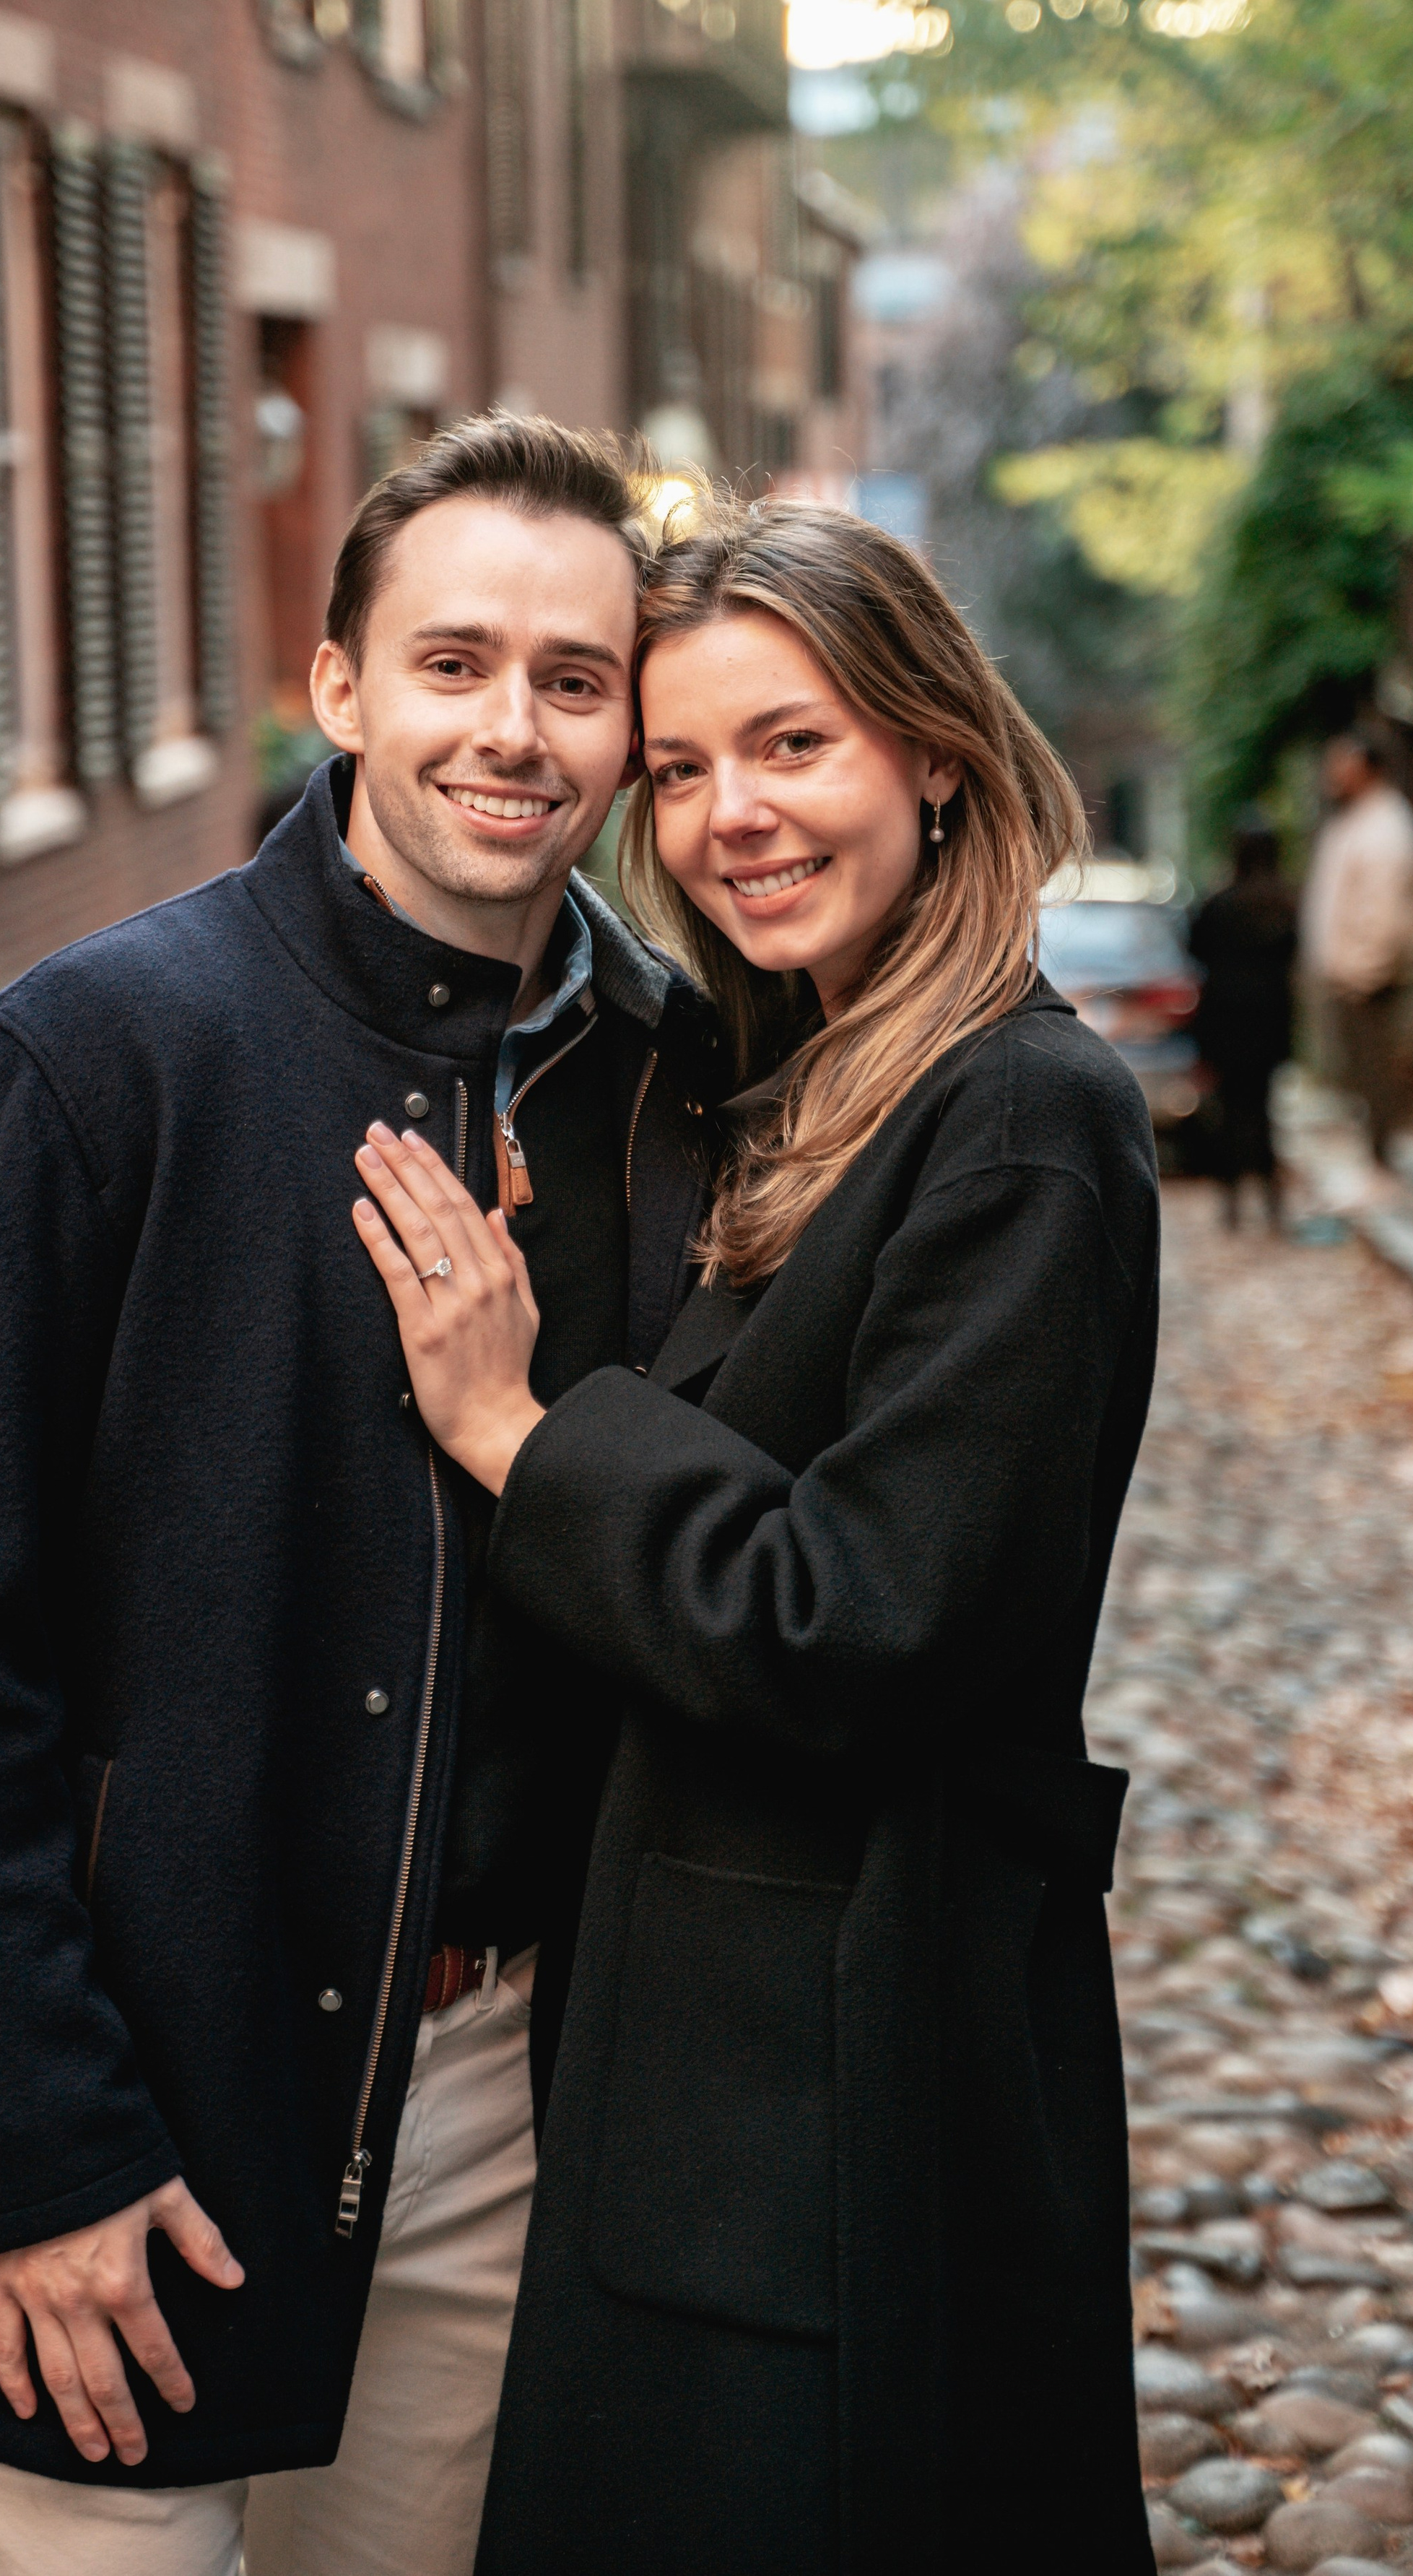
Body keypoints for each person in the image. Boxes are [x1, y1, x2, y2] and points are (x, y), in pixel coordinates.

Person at [0, 414, 723, 2576]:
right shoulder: (80, 1062)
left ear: (620, 730)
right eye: (451, 662)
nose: (510, 729)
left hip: (496, 2092)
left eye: (573, 679)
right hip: (143, 2085)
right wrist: (33, 2140)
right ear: (335, 686)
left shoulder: (674, 1087)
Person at [351, 495, 1162, 2571]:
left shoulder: (1018, 1114)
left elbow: (854, 1612)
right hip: (712, 2058)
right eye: (689, 765)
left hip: (864, 2070)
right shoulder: (789, 1075)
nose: (734, 814)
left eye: (793, 743)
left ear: (936, 749)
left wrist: (519, 1429)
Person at [1301, 727, 1413, 1166]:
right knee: (1364, 1077)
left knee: (1379, 1077)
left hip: (1369, 976)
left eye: (1343, 764)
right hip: (1349, 972)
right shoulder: (1356, 820)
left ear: (1367, 770)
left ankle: (1384, 1164)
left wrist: (1365, 970)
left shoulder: (1386, 827)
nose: (1332, 773)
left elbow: (1386, 912)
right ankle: (1378, 1160)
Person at [1190, 810, 1297, 1230]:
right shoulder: (1285, 906)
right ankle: (1271, 1200)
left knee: (1230, 1110)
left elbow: (1195, 950)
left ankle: (1232, 1200)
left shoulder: (1220, 905)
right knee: (1264, 1108)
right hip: (1268, 1021)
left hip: (1225, 1021)